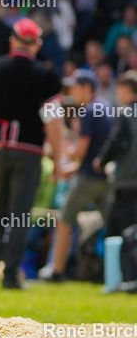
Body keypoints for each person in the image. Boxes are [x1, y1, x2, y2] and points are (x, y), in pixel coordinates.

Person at [0, 17, 65, 289]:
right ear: (37, 44)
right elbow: (53, 120)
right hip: (28, 152)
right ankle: (12, 275)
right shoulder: (45, 75)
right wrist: (59, 159)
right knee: (19, 216)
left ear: (12, 41)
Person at [42, 70, 114, 282]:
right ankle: (114, 272)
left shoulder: (89, 111)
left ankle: (57, 270)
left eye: (75, 86)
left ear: (87, 88)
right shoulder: (107, 107)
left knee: (64, 220)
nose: (72, 91)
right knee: (111, 226)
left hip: (88, 180)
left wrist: (64, 153)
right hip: (106, 179)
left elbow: (81, 152)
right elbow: (98, 152)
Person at [93, 71, 137, 239]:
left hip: (126, 182)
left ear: (127, 89)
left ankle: (117, 266)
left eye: (120, 90)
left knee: (117, 234)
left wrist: (102, 161)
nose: (118, 94)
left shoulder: (126, 113)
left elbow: (116, 142)